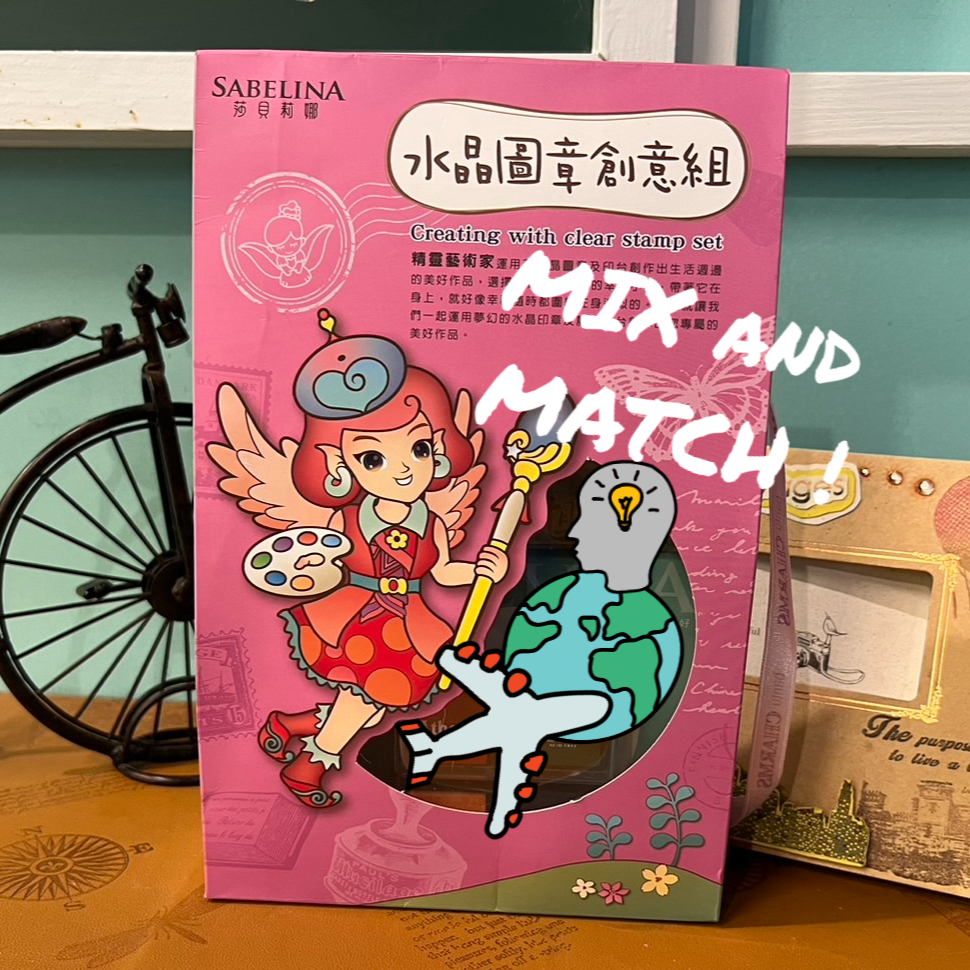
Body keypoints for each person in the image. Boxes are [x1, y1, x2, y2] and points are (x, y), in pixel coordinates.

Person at [207, 309, 507, 808]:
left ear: (437, 448)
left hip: (409, 621)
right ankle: (307, 767)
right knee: (368, 698)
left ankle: (296, 726)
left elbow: (443, 571)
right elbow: (314, 555)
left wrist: (480, 571)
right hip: (357, 617)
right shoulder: (344, 517)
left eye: (419, 448)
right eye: (373, 458)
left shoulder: (431, 519)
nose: (403, 470)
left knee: (372, 704)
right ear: (339, 465)